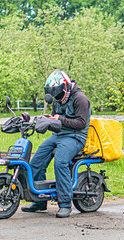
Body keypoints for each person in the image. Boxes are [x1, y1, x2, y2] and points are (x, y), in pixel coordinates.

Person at [22, 69, 91, 218]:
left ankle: (65, 204)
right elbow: (56, 118)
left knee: (60, 162)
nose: (57, 98)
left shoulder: (80, 99)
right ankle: (39, 201)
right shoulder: (58, 98)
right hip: (59, 135)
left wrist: (59, 119)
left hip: (75, 137)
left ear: (65, 87)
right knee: (36, 161)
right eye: (54, 95)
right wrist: (48, 120)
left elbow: (81, 123)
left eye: (58, 95)